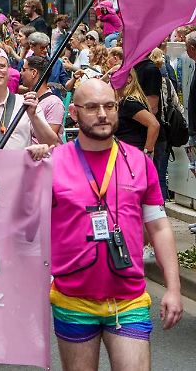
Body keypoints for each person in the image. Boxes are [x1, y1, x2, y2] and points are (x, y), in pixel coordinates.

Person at [28, 80, 182, 370]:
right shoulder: (52, 162)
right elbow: (24, 225)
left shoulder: (139, 162)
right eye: (91, 107)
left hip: (129, 299)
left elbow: (159, 227)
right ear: (74, 113)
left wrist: (173, 288)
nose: (102, 114)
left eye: (109, 106)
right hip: (72, 299)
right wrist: (26, 168)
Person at [0, 47, 58, 149]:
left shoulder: (26, 104)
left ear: (9, 71)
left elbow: (50, 143)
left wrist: (33, 116)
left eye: (1, 66)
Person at [113, 69, 160, 164]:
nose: (113, 78)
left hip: (132, 157)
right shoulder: (129, 100)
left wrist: (147, 152)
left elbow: (154, 124)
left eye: (117, 75)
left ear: (129, 78)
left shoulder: (129, 102)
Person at [22, 54, 64, 140]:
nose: (20, 73)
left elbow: (50, 140)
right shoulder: (24, 99)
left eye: (23, 70)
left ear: (33, 73)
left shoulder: (54, 103)